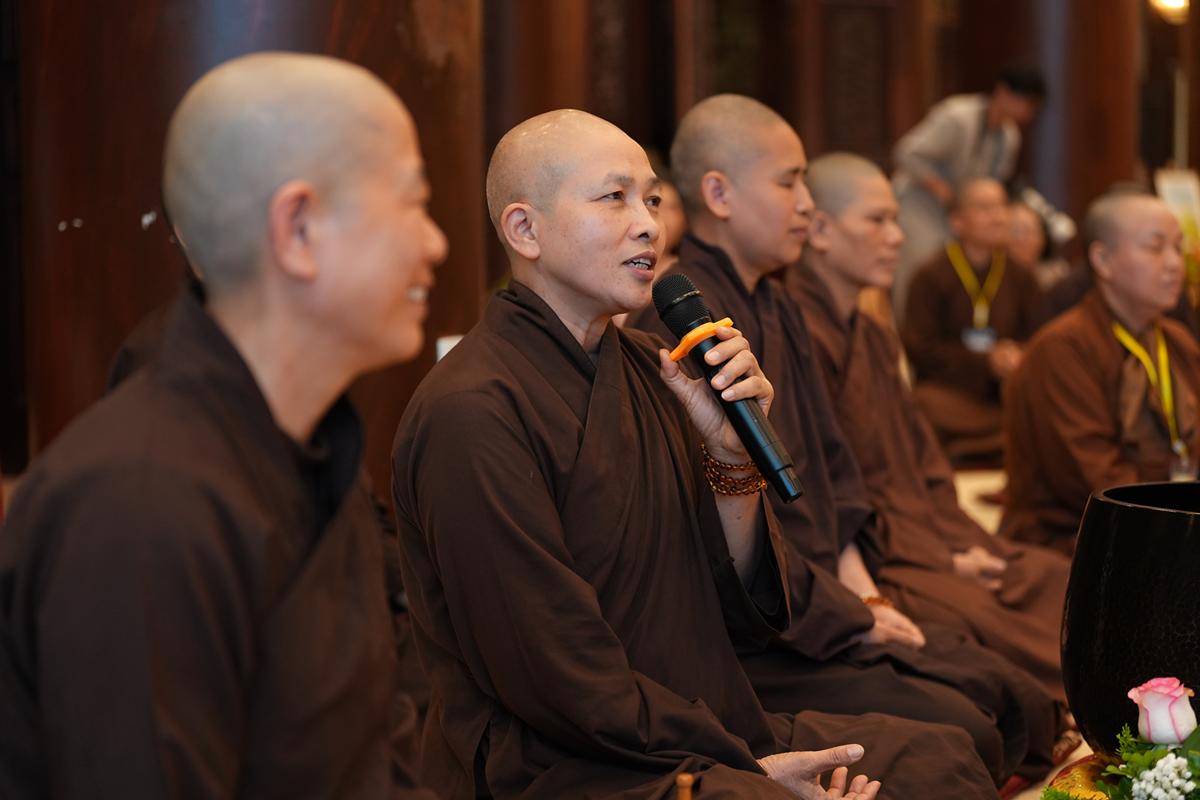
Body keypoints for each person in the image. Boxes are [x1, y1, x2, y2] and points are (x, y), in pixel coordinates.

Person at [393, 108, 996, 799]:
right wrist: (742, 770)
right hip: (568, 765)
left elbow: (737, 602)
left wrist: (730, 455)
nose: (649, 225)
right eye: (614, 197)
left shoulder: (655, 366)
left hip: (696, 724)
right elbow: (551, 669)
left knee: (946, 758)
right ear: (524, 229)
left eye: (652, 200)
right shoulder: (472, 410)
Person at [0, 52, 447, 798]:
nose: (435, 242)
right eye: (412, 203)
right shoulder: (141, 501)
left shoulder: (309, 451)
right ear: (297, 229)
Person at [627, 94, 1061, 790]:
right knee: (976, 723)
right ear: (719, 194)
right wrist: (851, 614)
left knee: (1008, 693)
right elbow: (715, 533)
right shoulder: (676, 326)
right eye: (789, 182)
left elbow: (835, 472)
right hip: (766, 626)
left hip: (828, 594)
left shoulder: (779, 306)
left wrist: (866, 598)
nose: (806, 205)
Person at [788, 152, 1072, 707]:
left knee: (1049, 574)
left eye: (896, 220)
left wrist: (960, 539)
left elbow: (922, 461)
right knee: (977, 617)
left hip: (925, 531)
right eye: (878, 220)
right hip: (879, 553)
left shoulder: (872, 335)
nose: (897, 237)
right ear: (819, 230)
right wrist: (942, 557)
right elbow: (826, 492)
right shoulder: (796, 336)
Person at [1001, 190, 1200, 554]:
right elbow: (1094, 480)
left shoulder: (1178, 341)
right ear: (1103, 260)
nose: (1175, 263)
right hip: (1085, 538)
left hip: (1173, 520)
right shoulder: (1063, 349)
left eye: (1178, 247)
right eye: (1156, 248)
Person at [901, 176, 1045, 462]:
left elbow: (1039, 336)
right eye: (984, 208)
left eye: (1002, 206)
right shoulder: (930, 275)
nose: (997, 217)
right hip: (952, 394)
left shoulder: (1021, 275)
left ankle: (976, 445)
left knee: (1045, 403)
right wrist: (984, 361)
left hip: (1004, 394)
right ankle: (998, 441)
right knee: (922, 405)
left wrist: (1016, 354)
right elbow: (919, 347)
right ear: (957, 221)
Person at [891, 65, 1046, 320]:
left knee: (965, 266)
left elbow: (996, 182)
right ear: (1004, 93)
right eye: (1026, 103)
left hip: (964, 212)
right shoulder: (957, 115)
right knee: (922, 269)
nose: (1027, 113)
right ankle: (909, 331)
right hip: (921, 206)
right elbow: (906, 153)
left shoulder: (1009, 136)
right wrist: (941, 189)